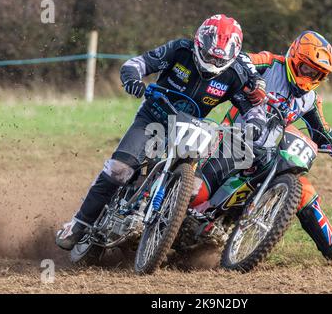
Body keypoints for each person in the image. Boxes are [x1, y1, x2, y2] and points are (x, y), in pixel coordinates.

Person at [55, 14, 267, 250]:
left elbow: (253, 107)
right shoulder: (179, 50)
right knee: (119, 170)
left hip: (191, 128)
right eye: (208, 55)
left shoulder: (234, 75)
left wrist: (255, 124)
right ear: (199, 43)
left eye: (219, 60)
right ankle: (78, 223)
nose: (212, 63)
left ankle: (170, 230)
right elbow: (136, 63)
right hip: (154, 117)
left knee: (193, 185)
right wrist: (132, 79)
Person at [191, 31, 332, 263]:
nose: (310, 76)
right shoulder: (271, 64)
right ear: (294, 57)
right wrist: (253, 83)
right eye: (306, 68)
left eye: (317, 73)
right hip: (235, 138)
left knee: (302, 189)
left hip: (269, 152)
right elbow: (240, 58)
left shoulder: (310, 99)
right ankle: (156, 218)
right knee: (197, 192)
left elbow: (321, 132)